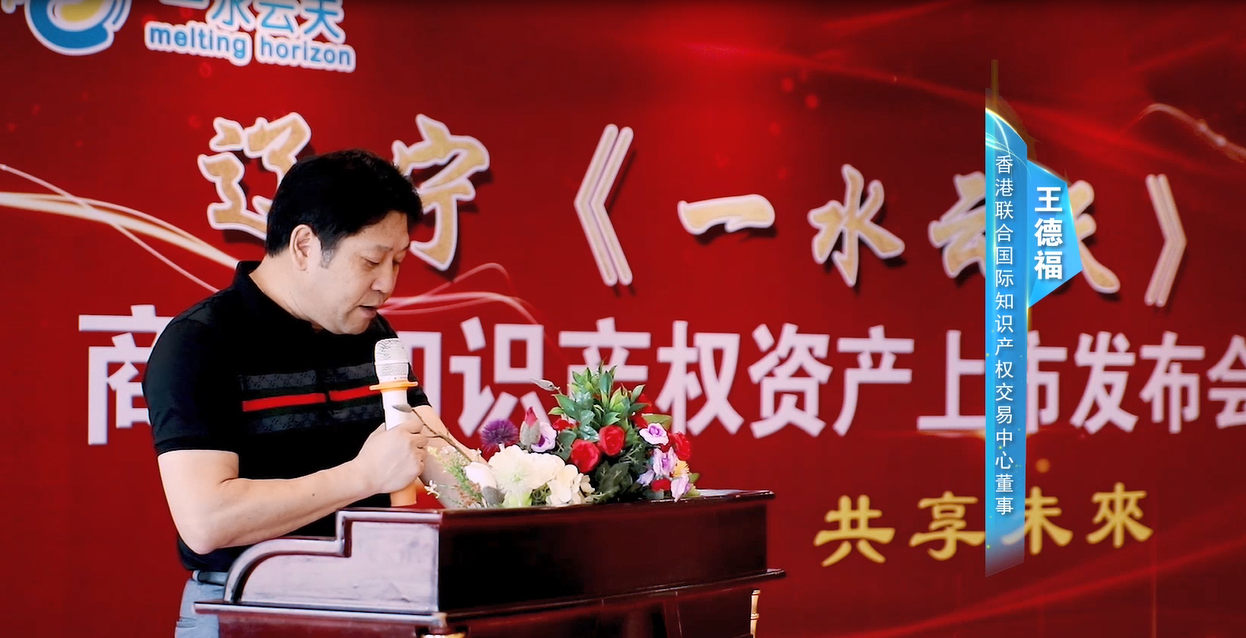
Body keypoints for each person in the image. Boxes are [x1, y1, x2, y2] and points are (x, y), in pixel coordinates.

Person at [142, 149, 452, 638]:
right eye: (372, 261)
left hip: (373, 607)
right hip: (246, 608)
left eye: (398, 262)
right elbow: (207, 520)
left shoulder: (371, 334)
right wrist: (361, 477)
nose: (387, 284)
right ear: (305, 246)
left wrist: (544, 485)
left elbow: (435, 449)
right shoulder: (200, 342)